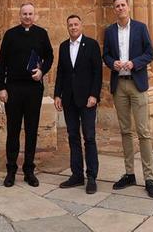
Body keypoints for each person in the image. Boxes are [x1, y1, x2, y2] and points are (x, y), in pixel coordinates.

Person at [102, 0, 153, 198]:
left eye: (123, 5)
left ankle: (149, 178)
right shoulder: (109, 31)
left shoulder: (140, 28)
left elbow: (150, 53)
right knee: (125, 131)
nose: (120, 8)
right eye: (117, 6)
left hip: (137, 85)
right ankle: (129, 173)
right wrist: (112, 63)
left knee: (143, 132)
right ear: (114, 9)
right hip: (120, 86)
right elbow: (106, 54)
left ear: (128, 7)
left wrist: (135, 63)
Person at [0, 2, 54, 187]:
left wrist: (42, 71)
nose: (28, 17)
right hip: (13, 88)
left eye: (30, 14)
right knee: (13, 130)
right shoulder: (10, 35)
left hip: (33, 89)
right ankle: (11, 170)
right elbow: (1, 63)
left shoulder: (41, 34)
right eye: (24, 14)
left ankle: (29, 169)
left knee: (31, 130)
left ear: (34, 15)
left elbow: (50, 56)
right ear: (19, 15)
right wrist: (1, 87)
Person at [54, 14, 103, 194]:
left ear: (81, 26)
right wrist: (57, 94)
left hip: (87, 100)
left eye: (76, 24)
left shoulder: (91, 45)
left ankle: (91, 177)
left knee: (89, 137)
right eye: (70, 25)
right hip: (69, 99)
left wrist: (94, 95)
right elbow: (61, 72)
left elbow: (97, 72)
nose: (73, 27)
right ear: (67, 27)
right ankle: (76, 175)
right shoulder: (63, 46)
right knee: (72, 136)